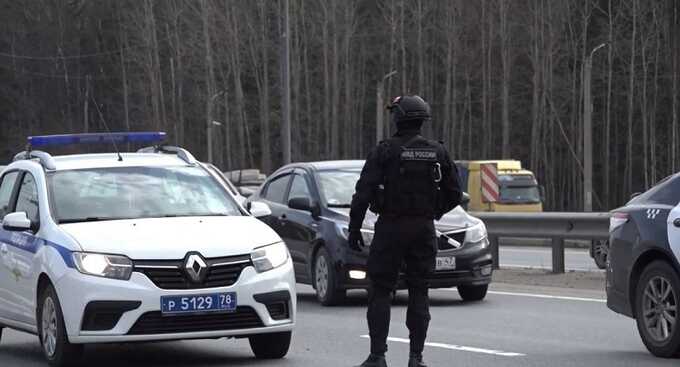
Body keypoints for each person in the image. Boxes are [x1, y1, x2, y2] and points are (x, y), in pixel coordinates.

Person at [349, 95, 462, 367]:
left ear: (397, 118)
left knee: (380, 290)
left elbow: (362, 194)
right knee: (419, 291)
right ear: (422, 120)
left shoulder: (384, 151)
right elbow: (455, 194)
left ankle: (377, 356)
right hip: (423, 229)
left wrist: (354, 229)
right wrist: (433, 212)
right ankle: (416, 358)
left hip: (390, 227)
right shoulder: (438, 152)